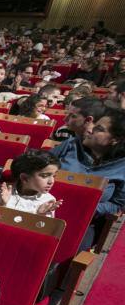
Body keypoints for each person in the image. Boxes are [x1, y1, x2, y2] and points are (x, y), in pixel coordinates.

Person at [51, 107, 125, 250]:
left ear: (115, 140)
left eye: (99, 129)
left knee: (72, 246)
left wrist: (85, 209)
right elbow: (39, 167)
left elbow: (116, 204)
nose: (90, 129)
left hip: (82, 222)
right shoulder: (71, 144)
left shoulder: (122, 166)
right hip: (44, 207)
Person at [0, 150, 62, 217]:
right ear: (25, 178)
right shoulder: (5, 191)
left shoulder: (48, 201)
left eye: (54, 176)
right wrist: (2, 205)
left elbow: (43, 229)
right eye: (45, 176)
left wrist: (39, 214)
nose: (51, 181)